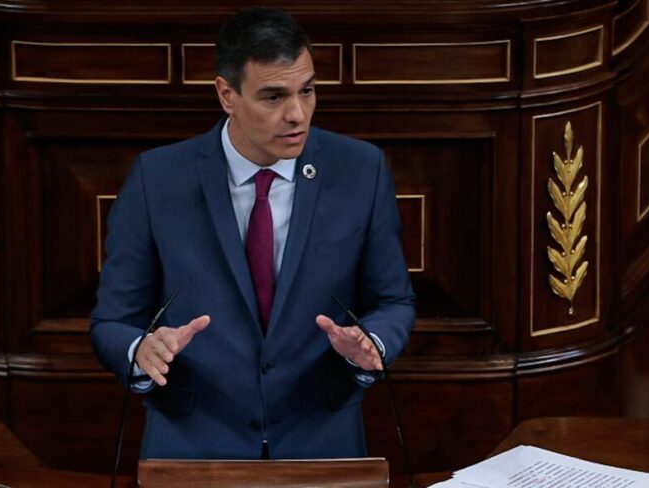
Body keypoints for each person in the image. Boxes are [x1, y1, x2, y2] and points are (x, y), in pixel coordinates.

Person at [89, 7, 415, 460]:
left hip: (321, 441)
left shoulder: (361, 171)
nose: (297, 114)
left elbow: (394, 302)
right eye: (273, 96)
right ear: (227, 94)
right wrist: (141, 349)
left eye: (308, 90)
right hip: (194, 445)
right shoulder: (156, 179)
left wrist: (371, 344)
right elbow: (112, 322)